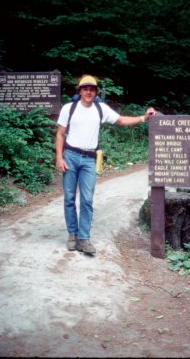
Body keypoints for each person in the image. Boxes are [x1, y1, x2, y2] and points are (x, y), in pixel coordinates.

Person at [55, 74, 156, 255]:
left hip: (89, 159)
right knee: (69, 197)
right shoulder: (69, 108)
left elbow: (122, 121)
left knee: (87, 199)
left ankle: (83, 238)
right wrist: (59, 158)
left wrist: (144, 118)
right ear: (79, 91)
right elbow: (60, 134)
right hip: (69, 156)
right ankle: (72, 234)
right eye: (85, 88)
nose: (88, 91)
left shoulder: (101, 109)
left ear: (95, 92)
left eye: (92, 89)